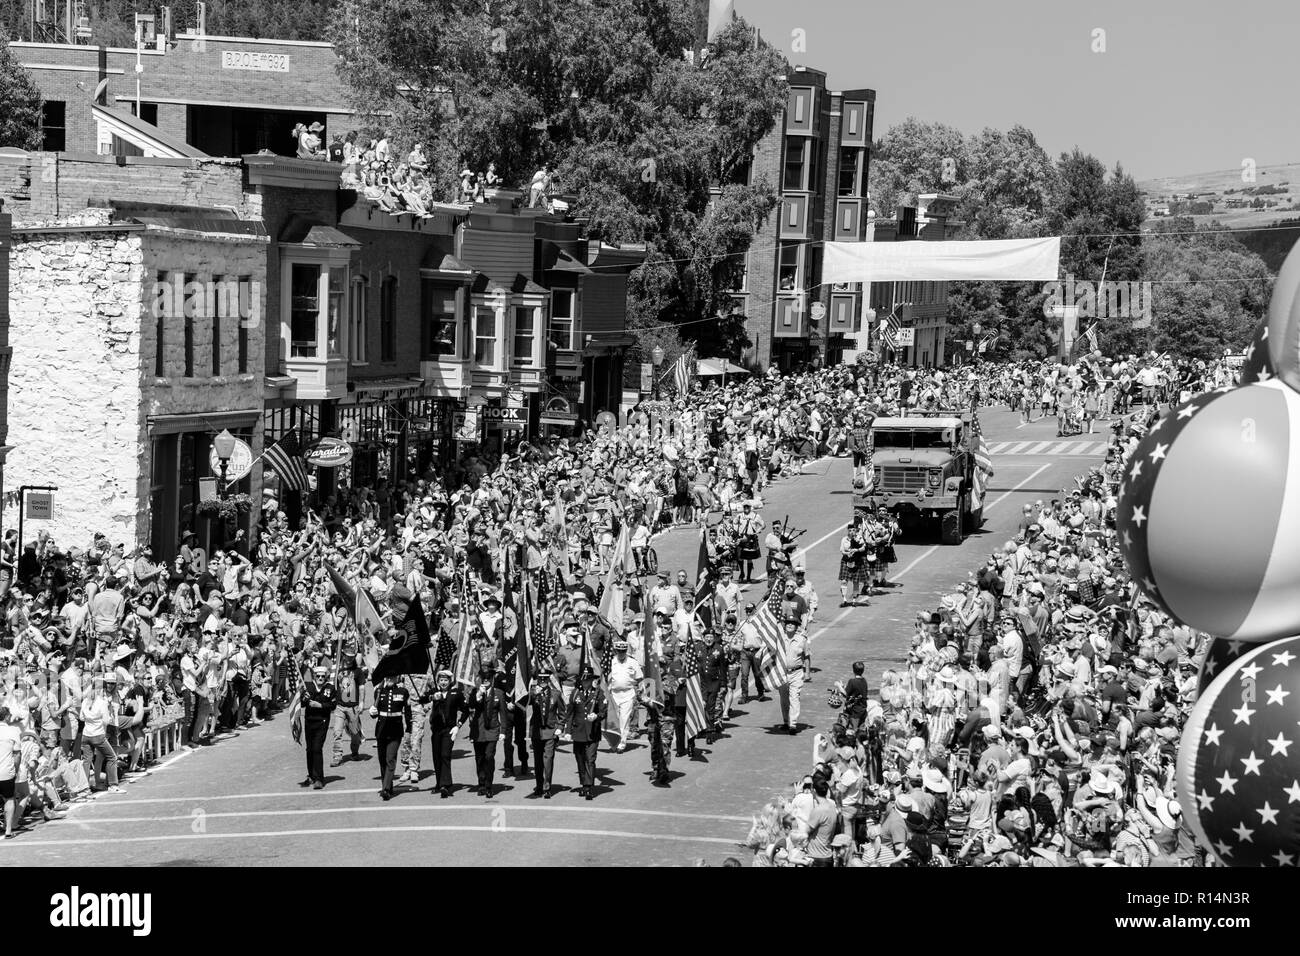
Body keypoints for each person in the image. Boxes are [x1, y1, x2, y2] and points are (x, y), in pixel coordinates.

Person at [370, 674, 411, 800]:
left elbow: (407, 711)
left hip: (395, 729)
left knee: (390, 758)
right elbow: (375, 712)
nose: (389, 679)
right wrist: (372, 712)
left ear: (397, 678)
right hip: (381, 730)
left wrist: (409, 727)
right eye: (387, 677)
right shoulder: (379, 691)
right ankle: (388, 785)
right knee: (382, 760)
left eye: (392, 677)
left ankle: (386, 789)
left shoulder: (403, 692)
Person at [427, 669, 467, 798]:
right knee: (437, 756)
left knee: (445, 755)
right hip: (436, 729)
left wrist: (458, 725)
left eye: (446, 680)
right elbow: (422, 698)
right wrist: (433, 697)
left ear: (450, 681)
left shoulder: (456, 693)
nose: (443, 683)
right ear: (438, 681)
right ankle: (439, 783)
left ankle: (446, 785)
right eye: (441, 680)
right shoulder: (434, 692)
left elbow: (465, 710)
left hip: (449, 729)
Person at [469, 664, 506, 797]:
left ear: (492, 679)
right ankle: (481, 784)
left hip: (492, 730)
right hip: (478, 731)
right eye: (484, 678)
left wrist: (503, 731)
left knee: (489, 757)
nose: (486, 680)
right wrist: (479, 694)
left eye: (488, 678)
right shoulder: (475, 692)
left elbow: (503, 713)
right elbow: (471, 705)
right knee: (479, 758)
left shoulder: (499, 693)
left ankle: (489, 785)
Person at [299, 664, 336, 790]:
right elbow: (302, 704)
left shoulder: (330, 688)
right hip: (309, 721)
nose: (320, 678)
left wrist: (319, 705)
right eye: (318, 676)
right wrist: (303, 698)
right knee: (309, 749)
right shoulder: (308, 687)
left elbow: (333, 705)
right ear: (314, 676)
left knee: (317, 748)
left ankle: (319, 778)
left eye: (322, 676)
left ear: (326, 677)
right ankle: (311, 776)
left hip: (322, 721)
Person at [569, 672, 606, 800]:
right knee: (580, 759)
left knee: (590, 759)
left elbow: (603, 710)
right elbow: (570, 713)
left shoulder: (598, 693)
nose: (584, 683)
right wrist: (567, 731)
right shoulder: (575, 693)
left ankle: (588, 787)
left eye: (587, 681)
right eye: (583, 681)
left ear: (591, 681)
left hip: (592, 732)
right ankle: (584, 783)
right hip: (578, 731)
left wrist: (597, 716)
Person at [528, 667, 562, 797]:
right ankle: (539, 785)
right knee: (538, 761)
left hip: (550, 731)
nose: (542, 682)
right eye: (540, 679)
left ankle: (547, 787)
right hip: (537, 731)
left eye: (544, 679)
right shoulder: (533, 693)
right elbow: (526, 702)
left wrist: (560, 727)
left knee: (548, 760)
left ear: (548, 680)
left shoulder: (555, 694)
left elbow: (563, 713)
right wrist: (534, 693)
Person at [606, 639, 642, 752]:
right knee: (614, 719)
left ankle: (622, 743)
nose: (621, 653)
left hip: (628, 694)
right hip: (614, 694)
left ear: (626, 651)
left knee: (624, 719)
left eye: (623, 651)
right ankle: (614, 740)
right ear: (616, 651)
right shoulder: (610, 662)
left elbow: (640, 677)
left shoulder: (632, 662)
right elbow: (605, 679)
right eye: (619, 651)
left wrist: (641, 689)